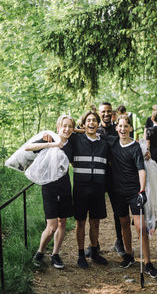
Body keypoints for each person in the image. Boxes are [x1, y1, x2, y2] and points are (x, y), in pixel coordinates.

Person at [108, 114, 157, 278]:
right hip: (118, 193)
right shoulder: (112, 142)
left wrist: (142, 191)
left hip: (134, 192)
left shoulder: (135, 147)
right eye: (120, 126)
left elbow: (141, 170)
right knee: (124, 223)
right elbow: (91, 133)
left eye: (126, 126)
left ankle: (148, 263)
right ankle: (129, 255)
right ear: (116, 127)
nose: (123, 129)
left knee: (141, 228)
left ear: (130, 128)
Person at [25, 115, 75, 269]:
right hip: (49, 187)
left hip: (65, 186)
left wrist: (79, 129)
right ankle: (40, 252)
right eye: (63, 126)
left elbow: (82, 132)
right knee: (52, 225)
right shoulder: (48, 139)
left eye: (70, 126)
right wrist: (51, 144)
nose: (66, 129)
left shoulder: (72, 143)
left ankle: (55, 254)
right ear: (58, 127)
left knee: (63, 222)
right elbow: (28, 147)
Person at [69, 110, 109, 269]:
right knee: (80, 222)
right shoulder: (76, 139)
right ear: (84, 124)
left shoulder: (105, 142)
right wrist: (81, 129)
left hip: (98, 186)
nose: (91, 123)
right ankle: (80, 255)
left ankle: (94, 251)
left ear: (98, 124)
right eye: (88, 121)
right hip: (81, 186)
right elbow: (66, 129)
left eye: (94, 120)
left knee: (95, 222)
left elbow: (124, 140)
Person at [95, 102, 126, 257]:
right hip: (99, 177)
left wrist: (144, 152)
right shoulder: (94, 129)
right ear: (99, 113)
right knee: (95, 212)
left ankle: (120, 242)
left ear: (112, 113)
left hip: (116, 177)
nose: (106, 114)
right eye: (103, 111)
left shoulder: (118, 128)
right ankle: (94, 244)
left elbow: (129, 143)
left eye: (108, 111)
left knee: (118, 211)